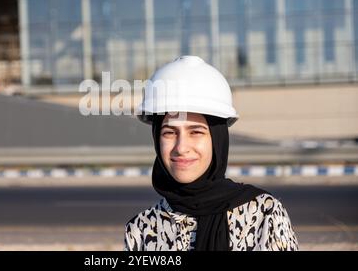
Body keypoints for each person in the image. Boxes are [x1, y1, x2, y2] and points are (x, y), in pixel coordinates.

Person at [124, 55, 298, 251]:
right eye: (169, 132)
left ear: (217, 139)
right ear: (156, 138)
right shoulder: (141, 229)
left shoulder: (263, 214)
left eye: (196, 132)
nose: (181, 147)